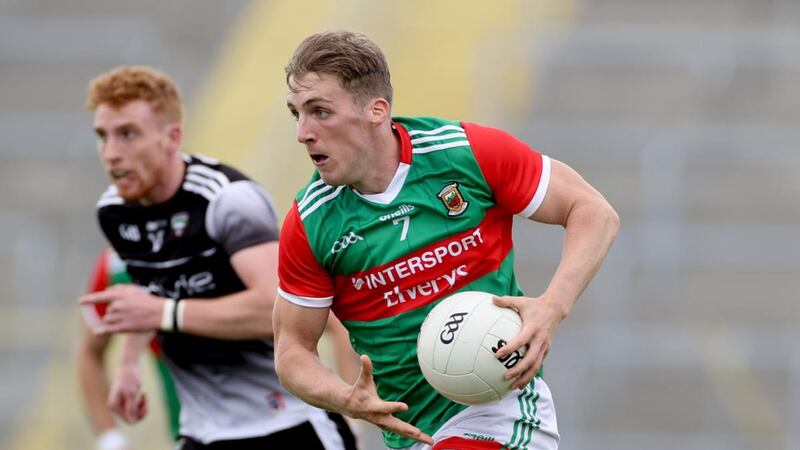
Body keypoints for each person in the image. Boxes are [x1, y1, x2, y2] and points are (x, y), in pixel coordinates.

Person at [273, 31, 620, 450]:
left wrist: (551, 308)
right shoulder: (310, 222)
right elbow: (293, 350)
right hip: (412, 433)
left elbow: (593, 212)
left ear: (376, 110)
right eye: (296, 114)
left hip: (501, 410)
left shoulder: (464, 154)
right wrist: (346, 398)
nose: (303, 133)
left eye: (320, 112)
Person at [80, 65, 357, 450]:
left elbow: (278, 308)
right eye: (103, 136)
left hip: (289, 422)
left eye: (128, 134)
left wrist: (166, 313)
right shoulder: (115, 212)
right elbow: (150, 297)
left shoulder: (226, 199)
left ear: (171, 137)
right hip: (203, 431)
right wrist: (128, 365)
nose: (111, 153)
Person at [78, 247, 181, 450]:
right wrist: (111, 440)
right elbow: (89, 353)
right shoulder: (116, 264)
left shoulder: (228, 241)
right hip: (188, 432)